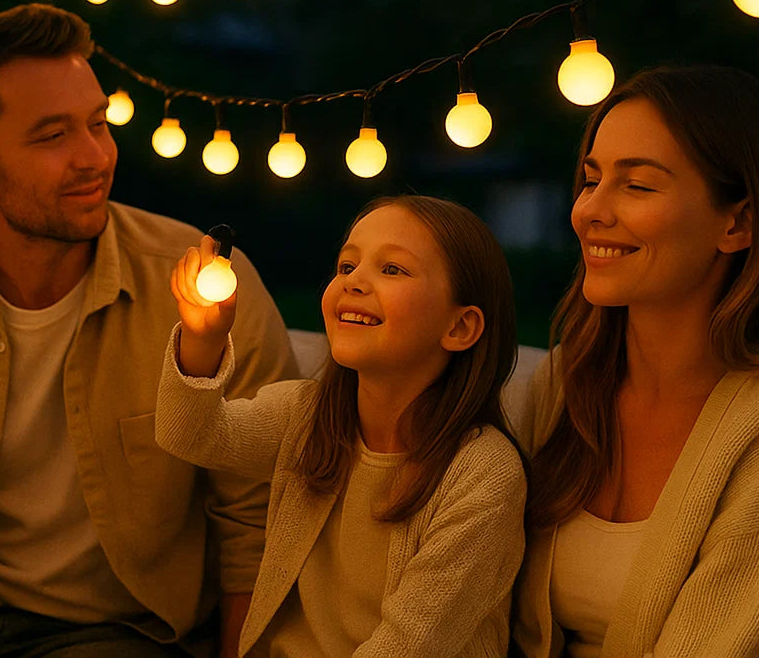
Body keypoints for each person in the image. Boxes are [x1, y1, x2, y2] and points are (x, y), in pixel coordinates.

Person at [0, 3, 298, 658]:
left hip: (112, 630)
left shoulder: (202, 289)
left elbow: (256, 528)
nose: (95, 156)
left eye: (99, 124)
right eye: (52, 136)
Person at [512, 65, 759, 658]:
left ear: (738, 223)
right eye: (591, 179)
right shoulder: (565, 385)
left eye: (637, 186)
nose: (590, 211)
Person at [156, 195, 527, 657]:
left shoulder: (483, 474)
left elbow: (405, 647)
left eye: (392, 270)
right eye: (346, 266)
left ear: (460, 327)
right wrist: (202, 337)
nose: (354, 283)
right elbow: (187, 434)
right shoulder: (306, 416)